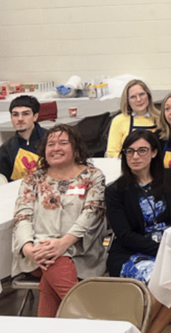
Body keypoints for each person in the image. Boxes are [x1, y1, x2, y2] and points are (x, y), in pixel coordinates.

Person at [106, 130, 171, 333]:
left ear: (154, 152)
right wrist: (164, 251)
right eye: (130, 151)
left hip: (168, 249)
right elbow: (125, 235)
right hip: (132, 252)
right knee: (163, 277)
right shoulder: (115, 190)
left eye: (142, 150)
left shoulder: (168, 178)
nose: (135, 156)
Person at [12, 124, 106, 317]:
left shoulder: (93, 176)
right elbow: (22, 217)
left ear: (76, 149)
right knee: (54, 260)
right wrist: (29, 249)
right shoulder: (32, 180)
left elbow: (92, 213)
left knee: (52, 275)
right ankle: (90, 320)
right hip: (38, 253)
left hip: (81, 251)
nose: (56, 148)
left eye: (63, 143)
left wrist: (63, 244)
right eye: (51, 144)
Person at [106, 79, 159, 159]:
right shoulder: (119, 121)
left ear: (148, 95)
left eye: (142, 94)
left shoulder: (160, 118)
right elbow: (111, 154)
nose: (139, 99)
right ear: (127, 101)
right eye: (133, 97)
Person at [0, 95, 45, 181]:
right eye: (15, 115)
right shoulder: (6, 149)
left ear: (35, 117)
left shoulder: (51, 140)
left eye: (26, 114)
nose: (20, 119)